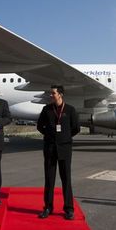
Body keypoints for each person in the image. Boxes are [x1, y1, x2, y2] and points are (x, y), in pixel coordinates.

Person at [36, 85, 80, 220]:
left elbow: (76, 128)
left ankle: (69, 209)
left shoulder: (70, 110)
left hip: (65, 149)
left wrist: (64, 138)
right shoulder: (47, 109)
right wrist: (50, 136)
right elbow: (39, 126)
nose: (51, 95)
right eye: (51, 93)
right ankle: (48, 207)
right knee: (49, 179)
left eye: (53, 93)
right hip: (49, 148)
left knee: (66, 179)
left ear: (60, 94)